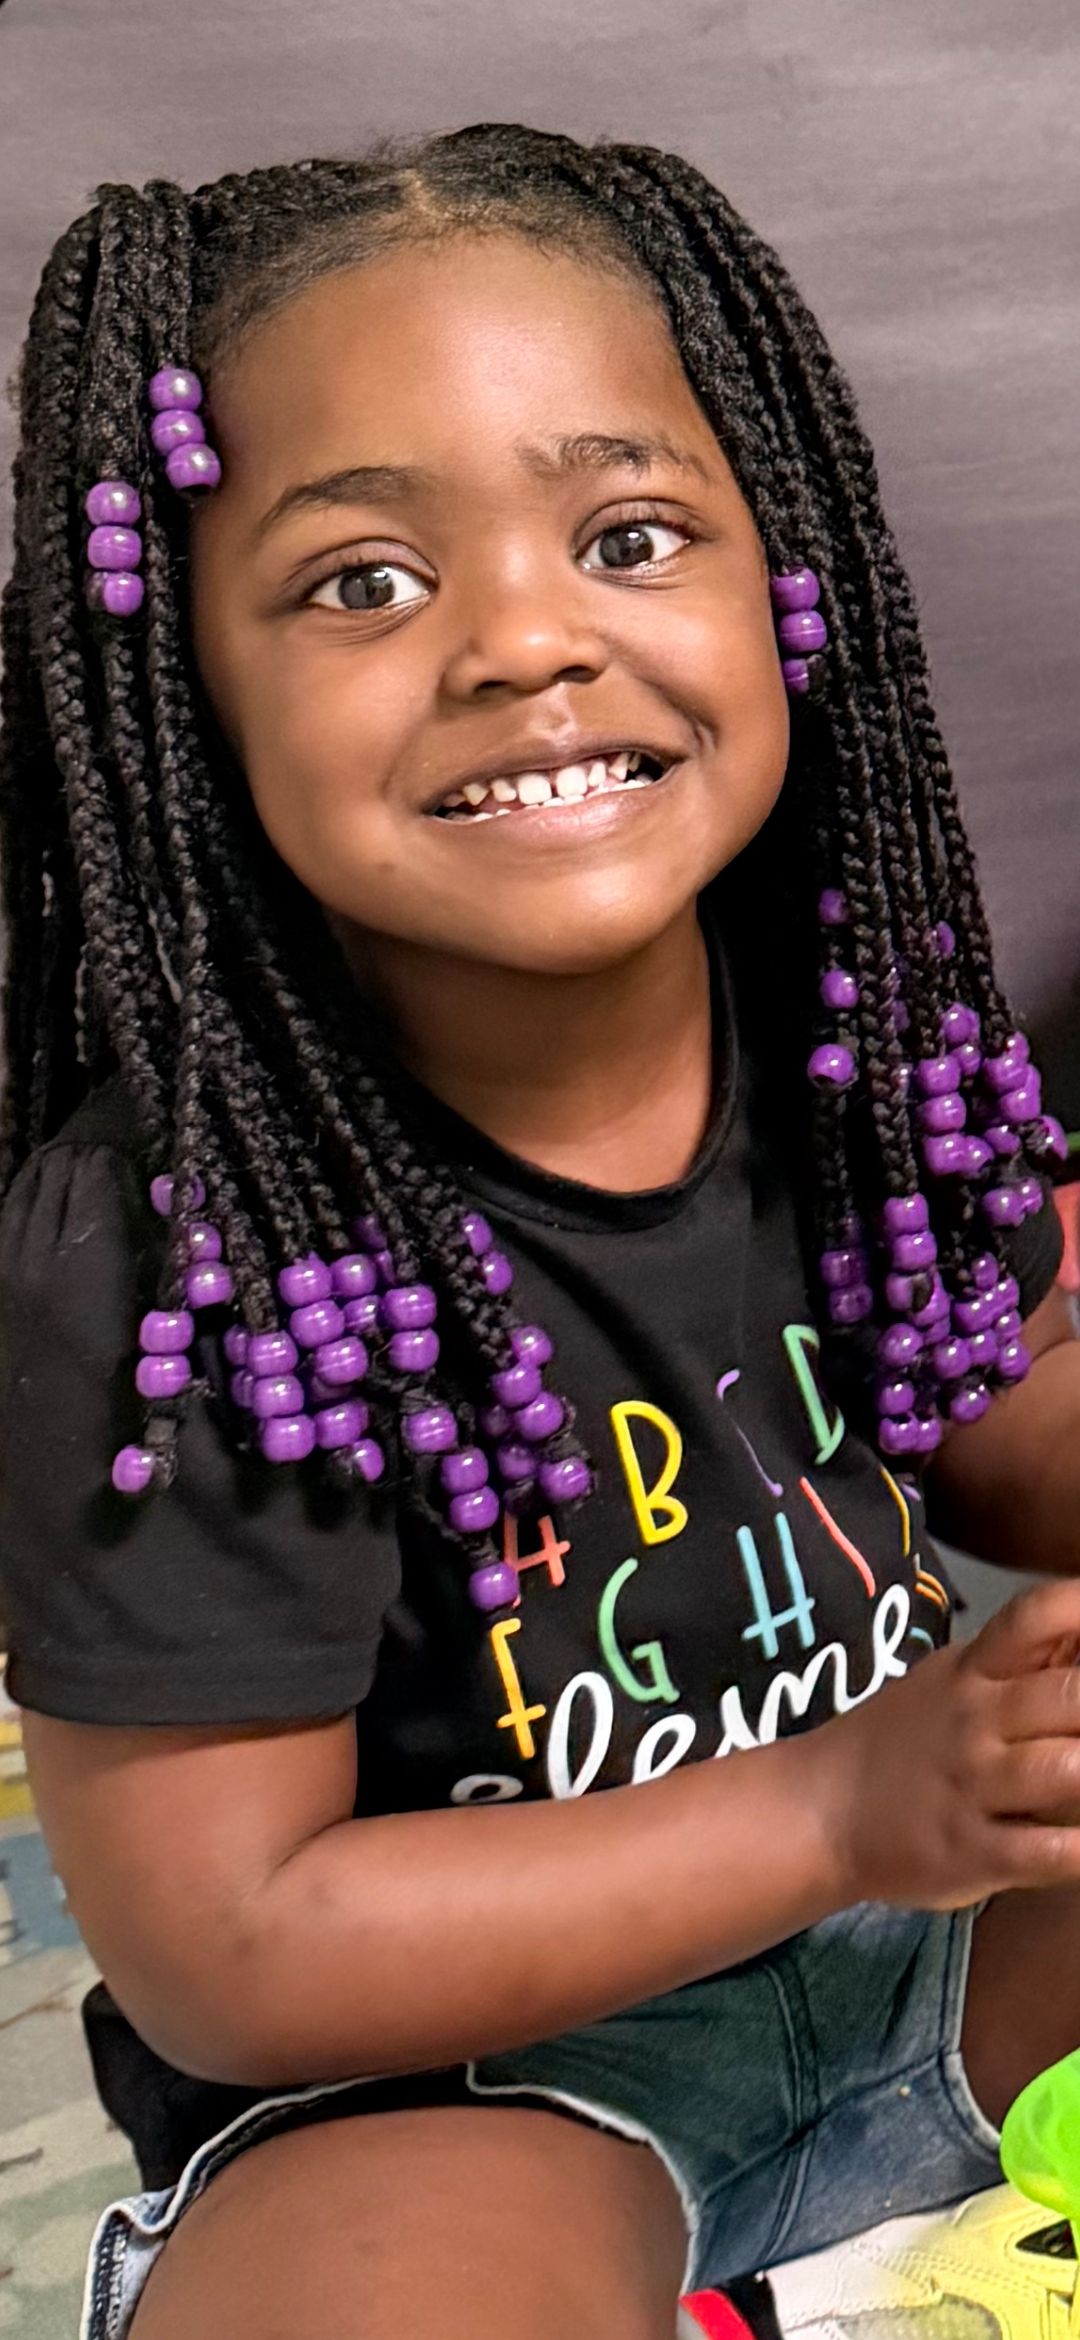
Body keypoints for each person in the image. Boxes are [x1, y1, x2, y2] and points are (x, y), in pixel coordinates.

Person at [2, 124, 1080, 2340]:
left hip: (940, 1944)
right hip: (466, 2084)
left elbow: (997, 1411)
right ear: (185, 700)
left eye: (628, 534)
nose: (520, 637)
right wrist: (843, 1809)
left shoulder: (848, 1028)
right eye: (363, 582)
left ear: (791, 581)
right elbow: (236, 1955)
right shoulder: (179, 1244)